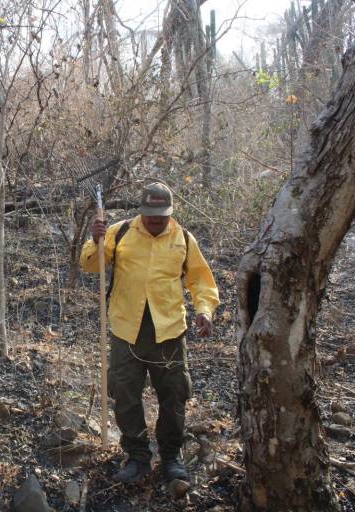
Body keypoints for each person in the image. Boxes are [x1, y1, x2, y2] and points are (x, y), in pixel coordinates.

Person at [79, 182, 220, 484]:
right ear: (141, 210)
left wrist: (205, 310)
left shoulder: (183, 238)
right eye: (150, 214)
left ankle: (171, 457)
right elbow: (91, 265)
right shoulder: (120, 232)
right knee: (125, 394)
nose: (155, 220)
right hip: (125, 329)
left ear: (171, 212)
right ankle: (138, 456)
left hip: (169, 331)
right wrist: (96, 240)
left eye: (161, 215)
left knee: (174, 395)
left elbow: (200, 279)